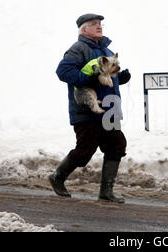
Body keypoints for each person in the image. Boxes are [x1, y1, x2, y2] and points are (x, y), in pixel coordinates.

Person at [50, 14, 131, 203]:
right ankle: (57, 177)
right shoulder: (78, 49)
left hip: (109, 110)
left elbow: (108, 75)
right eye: (94, 24)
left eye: (100, 24)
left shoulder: (106, 49)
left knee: (117, 146)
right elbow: (63, 72)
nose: (99, 26)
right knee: (85, 150)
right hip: (87, 110)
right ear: (83, 29)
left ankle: (106, 192)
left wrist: (121, 78)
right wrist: (88, 80)